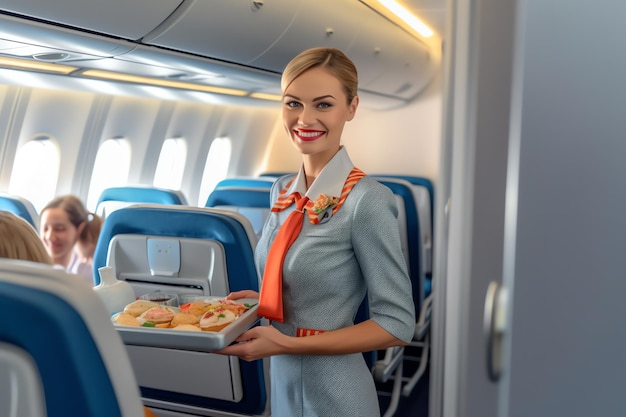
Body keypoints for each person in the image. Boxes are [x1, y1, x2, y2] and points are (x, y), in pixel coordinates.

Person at [219, 47, 416, 417]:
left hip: (335, 393)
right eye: (293, 103)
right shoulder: (282, 191)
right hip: (283, 383)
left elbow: (397, 323)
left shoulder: (367, 201)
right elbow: (300, 282)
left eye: (323, 105)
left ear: (351, 108)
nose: (304, 118)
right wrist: (262, 300)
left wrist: (287, 345)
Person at [39, 195, 102, 284]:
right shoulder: (31, 264)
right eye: (45, 229)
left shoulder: (85, 274)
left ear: (80, 229)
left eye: (59, 229)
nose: (50, 237)